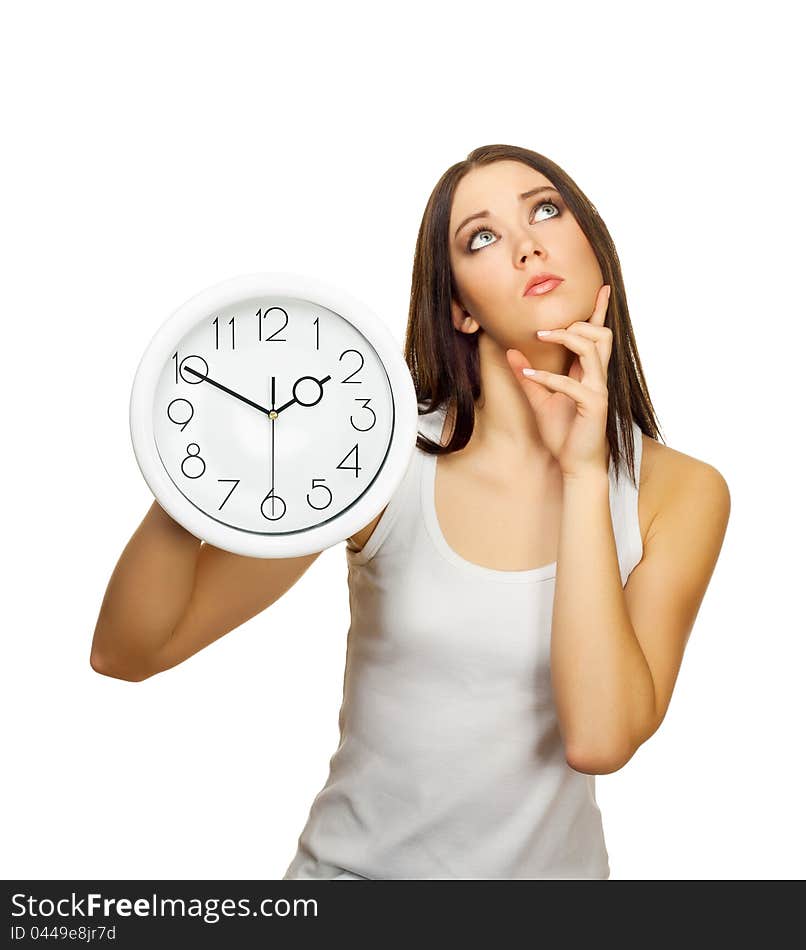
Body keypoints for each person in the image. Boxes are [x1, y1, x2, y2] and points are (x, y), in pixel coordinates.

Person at [90, 143, 731, 880]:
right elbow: (128, 653)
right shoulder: (382, 456)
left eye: (545, 210)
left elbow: (601, 740)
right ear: (458, 308)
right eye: (482, 238)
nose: (527, 246)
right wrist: (196, 465)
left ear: (594, 247)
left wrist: (584, 474)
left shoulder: (682, 492)